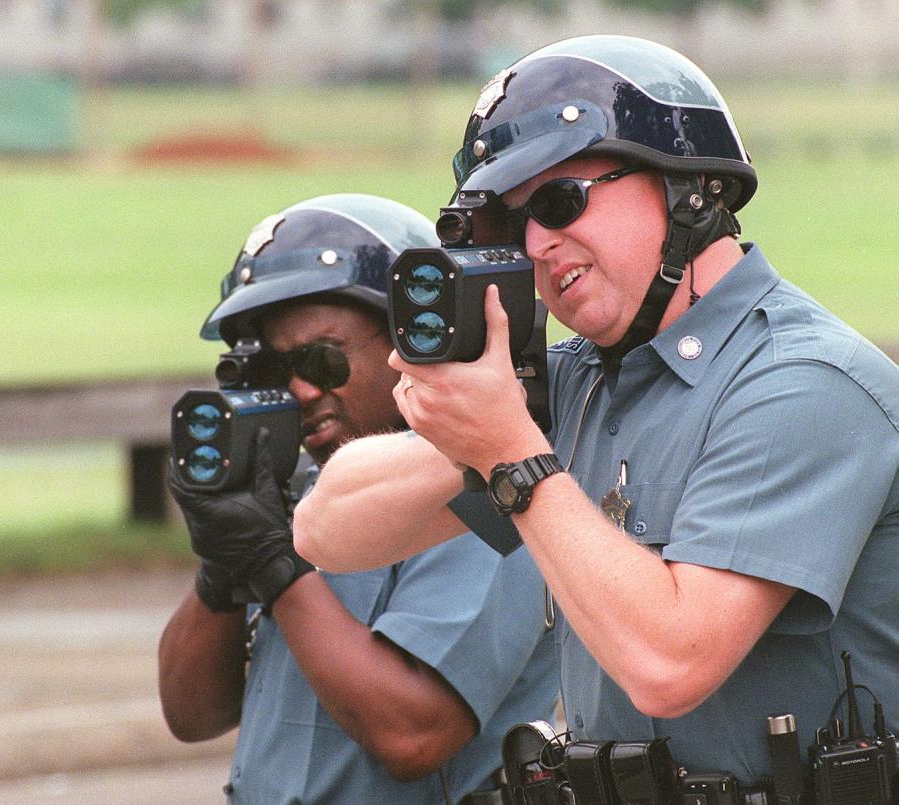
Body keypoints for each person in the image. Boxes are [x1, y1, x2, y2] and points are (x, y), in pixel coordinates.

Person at [294, 37, 899, 787]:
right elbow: (328, 528)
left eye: (559, 200)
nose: (539, 243)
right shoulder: (581, 381)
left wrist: (514, 457)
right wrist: (470, 431)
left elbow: (670, 662)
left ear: (689, 189)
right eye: (515, 223)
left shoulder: (804, 385)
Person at [157, 193, 558, 804]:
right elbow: (192, 714)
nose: (298, 389)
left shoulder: (485, 490)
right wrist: (223, 561)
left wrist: (275, 567)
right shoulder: (300, 494)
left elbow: (414, 733)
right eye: (272, 370)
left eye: (321, 359)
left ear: (411, 338)